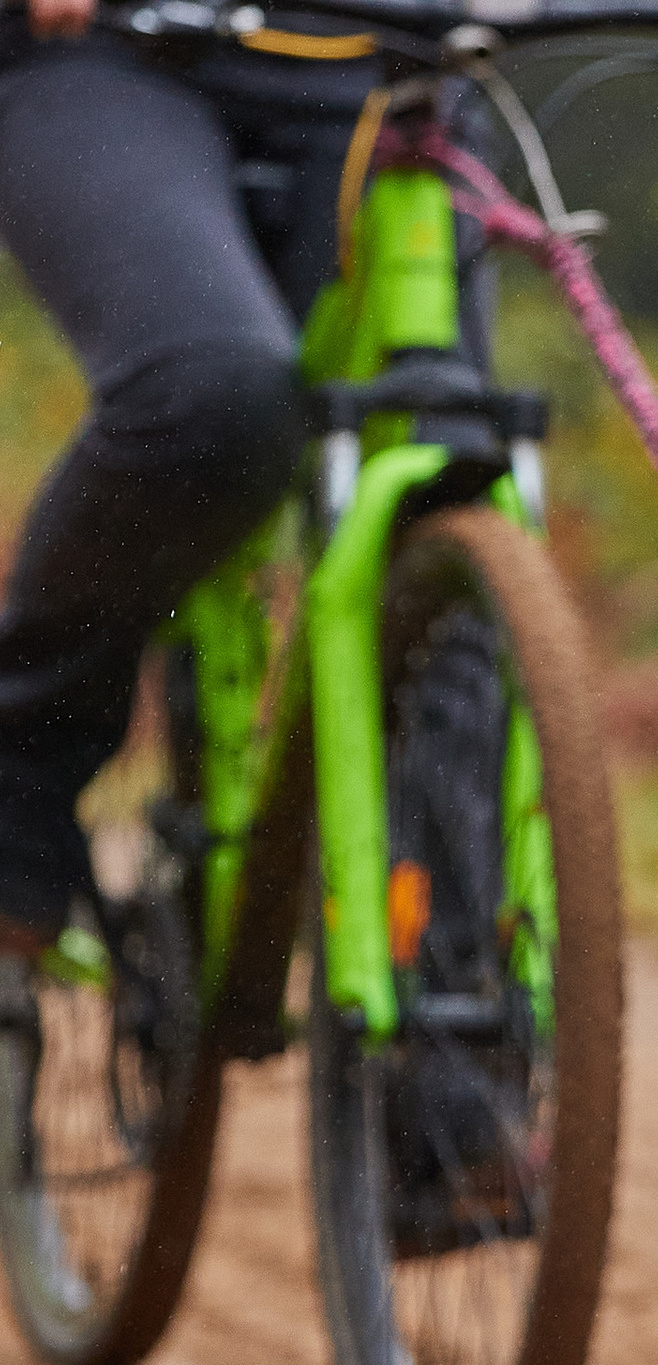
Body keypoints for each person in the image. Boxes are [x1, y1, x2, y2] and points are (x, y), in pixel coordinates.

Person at [0, 0, 381, 957]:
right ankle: (19, 788)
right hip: (106, 54)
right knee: (212, 400)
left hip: (389, 61)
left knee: (433, 446)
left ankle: (473, 1021)